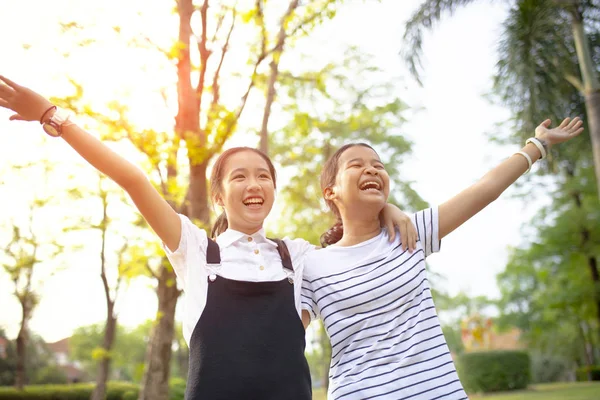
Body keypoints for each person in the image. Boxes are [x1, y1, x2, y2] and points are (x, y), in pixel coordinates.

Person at [0, 75, 419, 399]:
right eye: (240, 176)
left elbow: (353, 238)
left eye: (263, 176)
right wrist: (53, 117)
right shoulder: (197, 251)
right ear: (219, 196)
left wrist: (384, 207)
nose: (254, 183)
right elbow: (132, 179)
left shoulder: (299, 257)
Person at [301, 118, 583, 400]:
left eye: (378, 165)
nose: (371, 169)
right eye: (356, 164)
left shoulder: (409, 232)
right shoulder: (313, 265)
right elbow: (284, 337)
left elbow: (485, 189)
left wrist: (538, 144)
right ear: (330, 192)